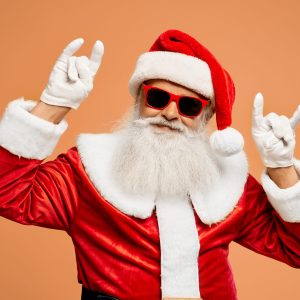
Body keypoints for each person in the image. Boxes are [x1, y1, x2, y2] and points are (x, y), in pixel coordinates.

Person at [0, 29, 299, 300]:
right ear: (139, 102)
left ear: (205, 118)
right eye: (157, 97)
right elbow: (8, 193)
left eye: (189, 106)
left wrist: (281, 165)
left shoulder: (229, 184)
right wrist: (54, 103)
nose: (170, 113)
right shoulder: (88, 169)